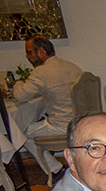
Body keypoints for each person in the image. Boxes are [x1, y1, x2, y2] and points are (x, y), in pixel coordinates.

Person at [13, 35, 82, 182]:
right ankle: (57, 168)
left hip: (62, 125)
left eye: (29, 52)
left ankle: (55, 169)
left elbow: (21, 95)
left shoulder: (42, 71)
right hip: (79, 121)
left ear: (42, 51)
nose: (27, 57)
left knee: (22, 134)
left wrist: (17, 83)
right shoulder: (72, 66)